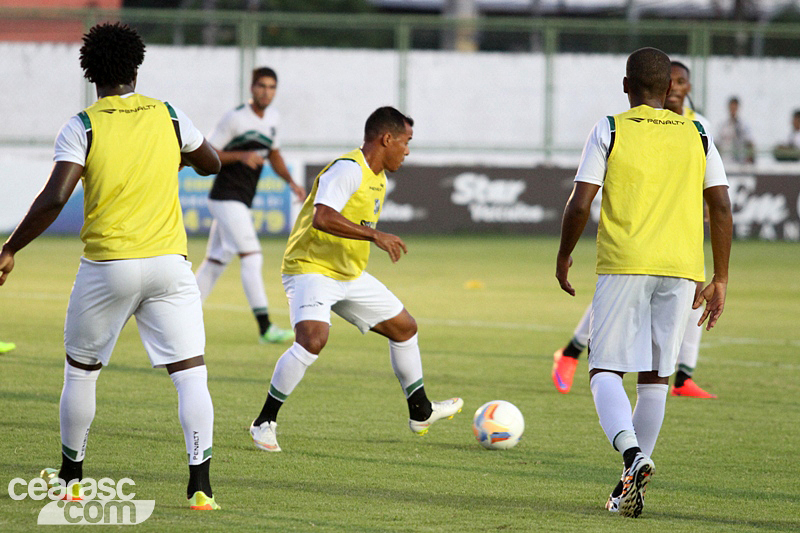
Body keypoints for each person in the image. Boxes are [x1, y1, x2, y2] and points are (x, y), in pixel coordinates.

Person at [0, 23, 222, 510]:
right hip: (170, 266)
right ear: (136, 67)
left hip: (109, 267)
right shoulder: (169, 115)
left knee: (81, 374)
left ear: (90, 72)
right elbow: (213, 163)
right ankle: (200, 486)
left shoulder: (84, 125)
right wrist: (179, 161)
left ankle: (71, 481)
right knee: (191, 376)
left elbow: (53, 198)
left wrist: (11, 247)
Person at [556, 48, 732, 518]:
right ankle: (626, 489)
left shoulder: (610, 128)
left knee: (604, 370)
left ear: (626, 85)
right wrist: (721, 277)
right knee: (656, 378)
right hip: (682, 268)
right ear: (670, 88)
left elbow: (579, 203)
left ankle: (633, 456)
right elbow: (721, 205)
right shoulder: (697, 133)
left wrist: (564, 254)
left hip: (626, 263)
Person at [249, 107, 463, 452]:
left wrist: (367, 239)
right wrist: (375, 236)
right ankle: (264, 422)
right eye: (406, 142)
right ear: (387, 138)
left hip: (348, 273)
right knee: (313, 338)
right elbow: (322, 217)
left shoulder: (380, 178)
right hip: (311, 268)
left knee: (405, 327)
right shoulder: (348, 170)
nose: (407, 151)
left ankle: (421, 410)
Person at [551, 60, 718, 399]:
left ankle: (683, 376)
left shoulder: (698, 127)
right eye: (670, 78)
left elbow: (713, 186)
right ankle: (571, 352)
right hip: (638, 229)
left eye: (681, 80)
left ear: (683, 88)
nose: (674, 85)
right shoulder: (622, 128)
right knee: (623, 290)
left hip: (680, 231)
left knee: (691, 300)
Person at [194, 67, 305, 344]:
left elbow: (274, 153)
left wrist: (291, 181)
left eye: (271, 87)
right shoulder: (235, 118)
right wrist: (241, 155)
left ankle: (183, 314)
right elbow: (208, 152)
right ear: (252, 88)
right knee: (252, 256)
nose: (266, 92)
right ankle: (265, 327)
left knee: (215, 262)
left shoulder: (273, 119)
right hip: (226, 196)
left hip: (239, 199)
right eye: (262, 86)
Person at [717, 96, 755, 165]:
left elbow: (749, 142)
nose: (733, 110)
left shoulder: (744, 126)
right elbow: (718, 143)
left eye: (735, 108)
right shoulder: (723, 126)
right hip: (726, 162)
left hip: (741, 163)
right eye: (731, 108)